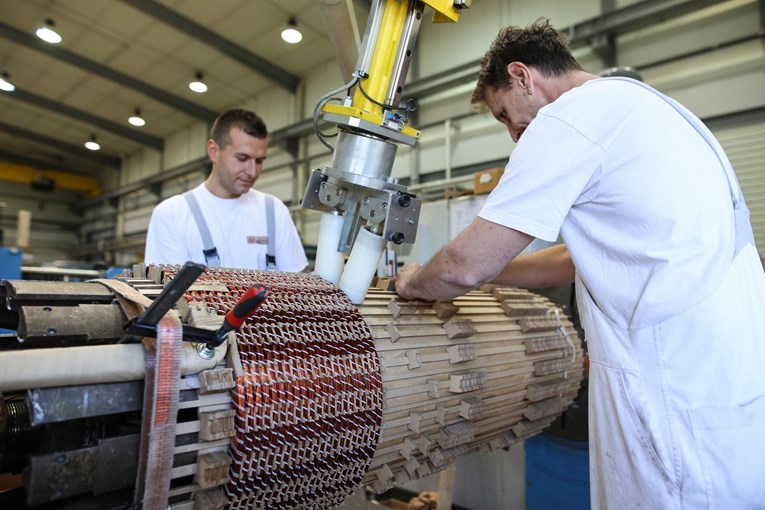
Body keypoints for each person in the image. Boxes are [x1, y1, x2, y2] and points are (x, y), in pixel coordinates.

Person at [394, 19, 765, 510]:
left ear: (523, 76)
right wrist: (495, 267)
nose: (513, 135)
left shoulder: (570, 119)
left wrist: (414, 282)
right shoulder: (653, 110)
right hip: (727, 372)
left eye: (505, 114)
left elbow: (464, 267)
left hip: (668, 381)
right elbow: (578, 257)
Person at [145, 108, 308, 272]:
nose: (252, 171)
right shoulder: (172, 215)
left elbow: (296, 287)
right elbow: (168, 293)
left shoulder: (274, 211)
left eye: (259, 161)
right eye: (242, 158)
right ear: (214, 152)